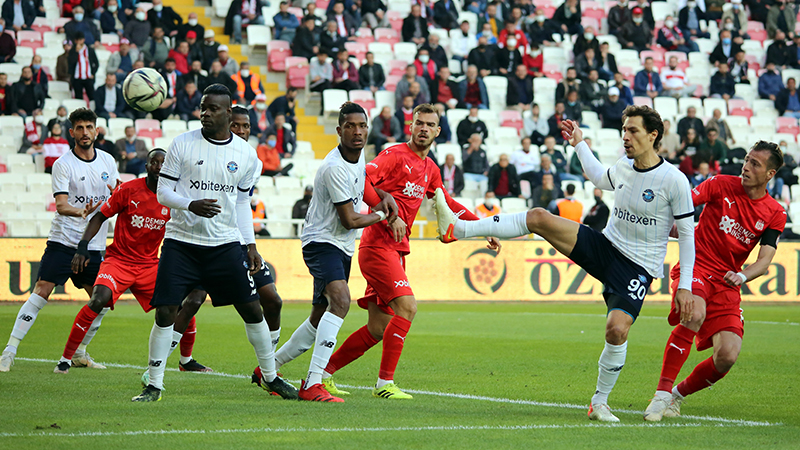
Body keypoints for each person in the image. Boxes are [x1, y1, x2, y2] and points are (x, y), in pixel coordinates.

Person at [433, 106, 697, 422]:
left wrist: (685, 286)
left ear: (654, 135)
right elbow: (599, 177)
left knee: (616, 330)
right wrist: (579, 143)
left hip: (637, 267)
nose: (626, 136)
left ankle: (599, 402)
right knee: (538, 217)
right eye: (624, 130)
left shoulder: (674, 181)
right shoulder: (625, 167)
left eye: (633, 131)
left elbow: (686, 236)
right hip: (605, 246)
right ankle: (458, 229)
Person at [306, 103, 496, 400]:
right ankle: (384, 383)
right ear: (411, 126)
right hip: (377, 245)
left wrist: (484, 227)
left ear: (437, 131)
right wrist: (389, 215)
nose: (423, 128)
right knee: (407, 307)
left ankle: (325, 374)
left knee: (379, 326)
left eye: (429, 124)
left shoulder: (430, 169)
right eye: (419, 123)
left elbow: (447, 204)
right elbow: (363, 179)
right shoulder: (394, 155)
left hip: (396, 250)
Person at [130, 84, 295, 402]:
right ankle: (154, 384)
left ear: (228, 112)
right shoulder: (182, 144)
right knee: (165, 311)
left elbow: (242, 203)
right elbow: (163, 192)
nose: (205, 113)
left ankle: (270, 377)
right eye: (203, 107)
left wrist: (250, 245)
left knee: (252, 310)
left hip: (224, 245)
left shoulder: (246, 154)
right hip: (182, 243)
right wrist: (190, 205)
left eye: (213, 108)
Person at [257, 102, 397, 403]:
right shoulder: (334, 167)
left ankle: (269, 368)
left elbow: (366, 189)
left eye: (362, 126)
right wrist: (383, 215)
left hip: (341, 244)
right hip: (322, 243)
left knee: (320, 317)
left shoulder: (357, 160)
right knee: (341, 301)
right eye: (350, 126)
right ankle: (314, 382)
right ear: (339, 130)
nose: (357, 132)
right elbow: (350, 219)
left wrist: (383, 196)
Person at [643, 142, 787, 421]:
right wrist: (671, 225)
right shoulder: (719, 184)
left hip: (727, 281)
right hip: (696, 265)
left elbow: (765, 259)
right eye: (747, 160)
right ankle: (660, 395)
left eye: (755, 164)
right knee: (693, 313)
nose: (746, 166)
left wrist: (743, 275)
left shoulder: (775, 213)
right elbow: (683, 204)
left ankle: (676, 396)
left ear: (770, 174)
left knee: (728, 356)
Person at [52, 149, 210, 374]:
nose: (158, 166)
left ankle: (186, 360)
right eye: (153, 162)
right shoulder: (128, 190)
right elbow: (99, 216)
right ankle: (65, 359)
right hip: (119, 261)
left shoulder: (174, 198)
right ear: (146, 167)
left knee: (181, 305)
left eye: (163, 163)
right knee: (98, 299)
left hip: (149, 265)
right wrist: (83, 246)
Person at [0, 108, 120, 373]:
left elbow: (114, 195)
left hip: (94, 244)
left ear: (97, 131)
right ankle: (9, 350)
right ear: (72, 133)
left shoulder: (109, 162)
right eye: (80, 128)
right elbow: (61, 204)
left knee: (100, 301)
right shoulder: (63, 164)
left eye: (89, 127)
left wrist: (119, 195)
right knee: (42, 289)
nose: (85, 132)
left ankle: (80, 353)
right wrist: (81, 211)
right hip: (64, 240)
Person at [68, 32, 98, 103]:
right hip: (77, 78)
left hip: (88, 77)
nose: (79, 42)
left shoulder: (90, 50)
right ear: (75, 41)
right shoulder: (72, 51)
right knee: (78, 99)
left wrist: (93, 73)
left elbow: (96, 63)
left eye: (80, 40)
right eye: (77, 40)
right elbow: (70, 63)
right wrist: (76, 52)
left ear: (83, 40)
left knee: (92, 97)